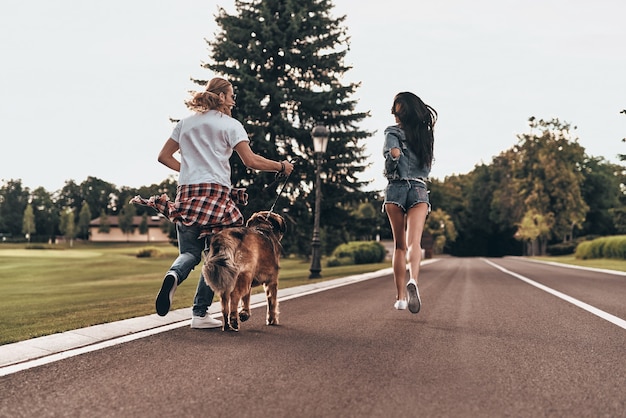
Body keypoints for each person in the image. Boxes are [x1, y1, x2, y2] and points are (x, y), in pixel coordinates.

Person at [138, 77, 294, 329]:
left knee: (189, 253)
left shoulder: (185, 124)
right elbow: (250, 161)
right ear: (221, 97)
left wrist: (189, 171)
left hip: (187, 195)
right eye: (231, 94)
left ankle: (173, 275)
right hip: (217, 198)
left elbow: (163, 157)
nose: (234, 99)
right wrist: (281, 166)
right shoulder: (231, 125)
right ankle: (199, 314)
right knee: (218, 255)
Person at [382, 92, 437, 314]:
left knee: (399, 246)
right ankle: (413, 279)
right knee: (415, 242)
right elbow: (426, 166)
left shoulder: (392, 132)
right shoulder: (425, 135)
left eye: (395, 111)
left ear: (399, 113)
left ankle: (400, 298)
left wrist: (394, 156)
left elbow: (391, 159)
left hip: (396, 189)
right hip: (418, 188)